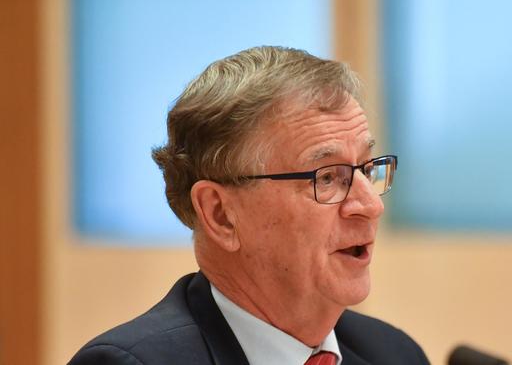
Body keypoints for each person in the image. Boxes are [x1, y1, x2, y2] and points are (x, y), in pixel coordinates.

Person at [69, 46, 429, 365]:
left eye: (367, 168)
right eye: (327, 177)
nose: (369, 205)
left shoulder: (394, 354)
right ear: (221, 215)